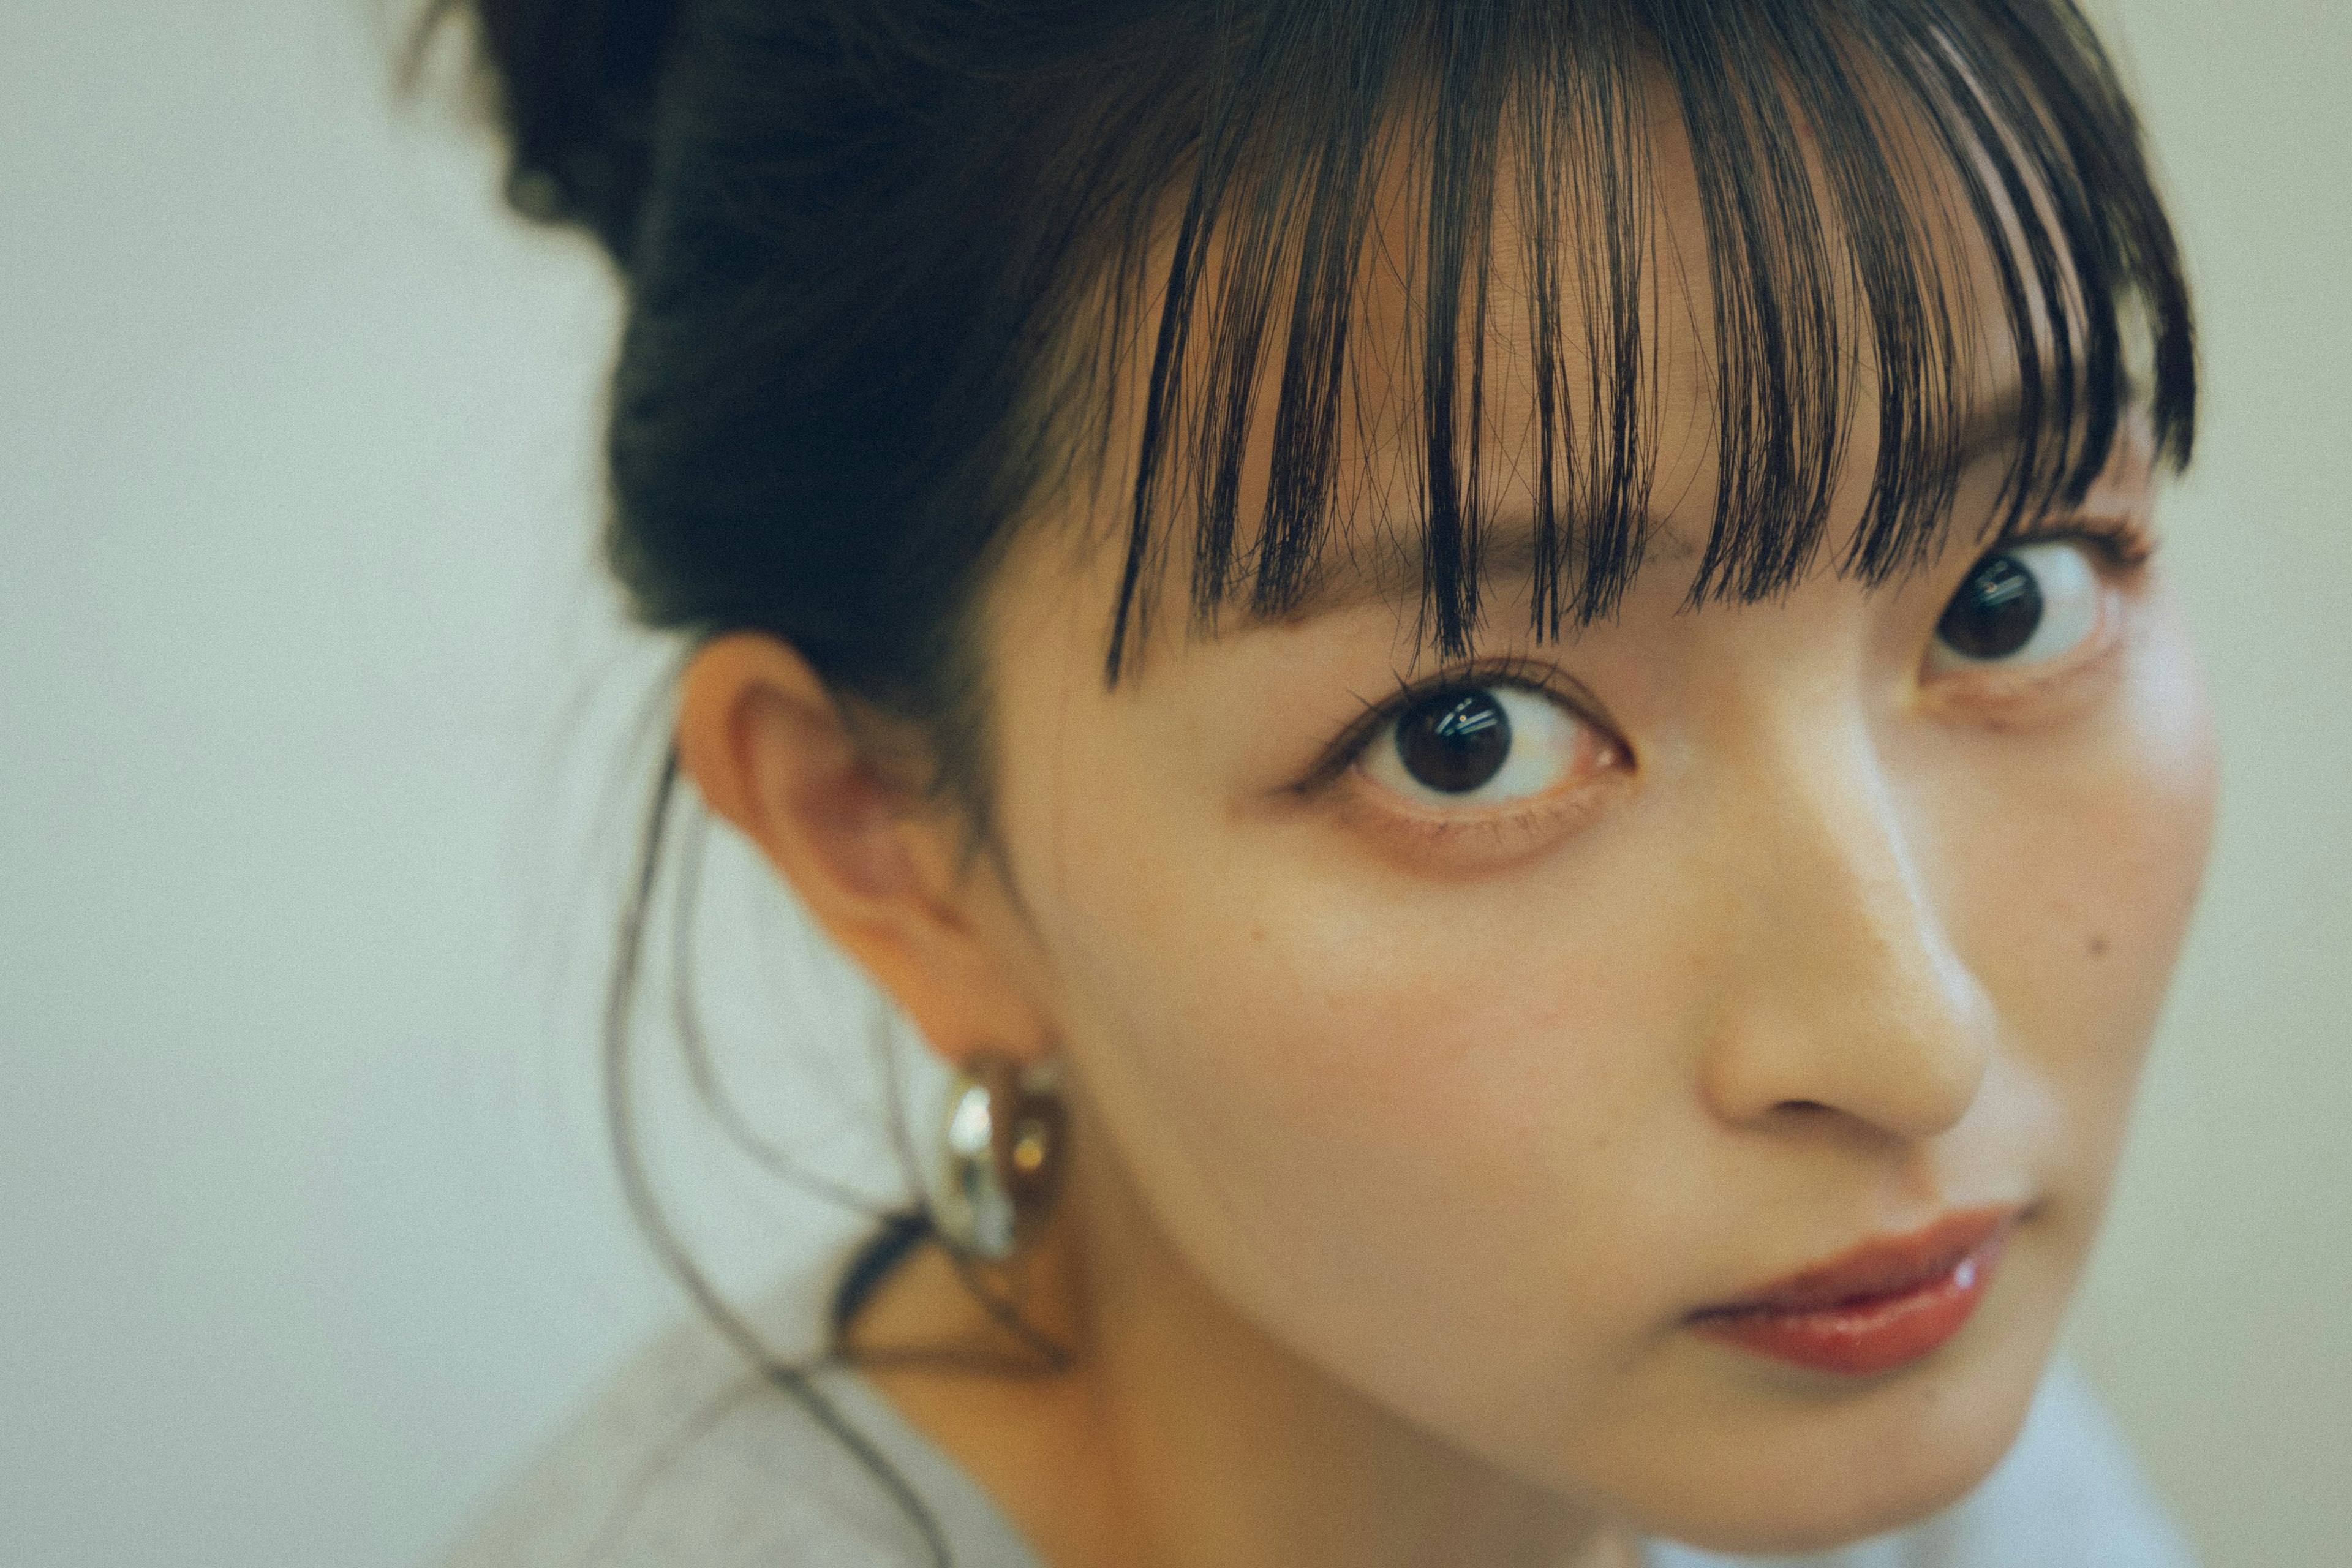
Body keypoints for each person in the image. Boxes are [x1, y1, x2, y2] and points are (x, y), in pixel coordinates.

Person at [424, 1, 2213, 1564]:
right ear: (886, 839)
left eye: (2012, 597)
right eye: (1470, 735)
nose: (1913, 1046)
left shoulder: (1872, 1380)